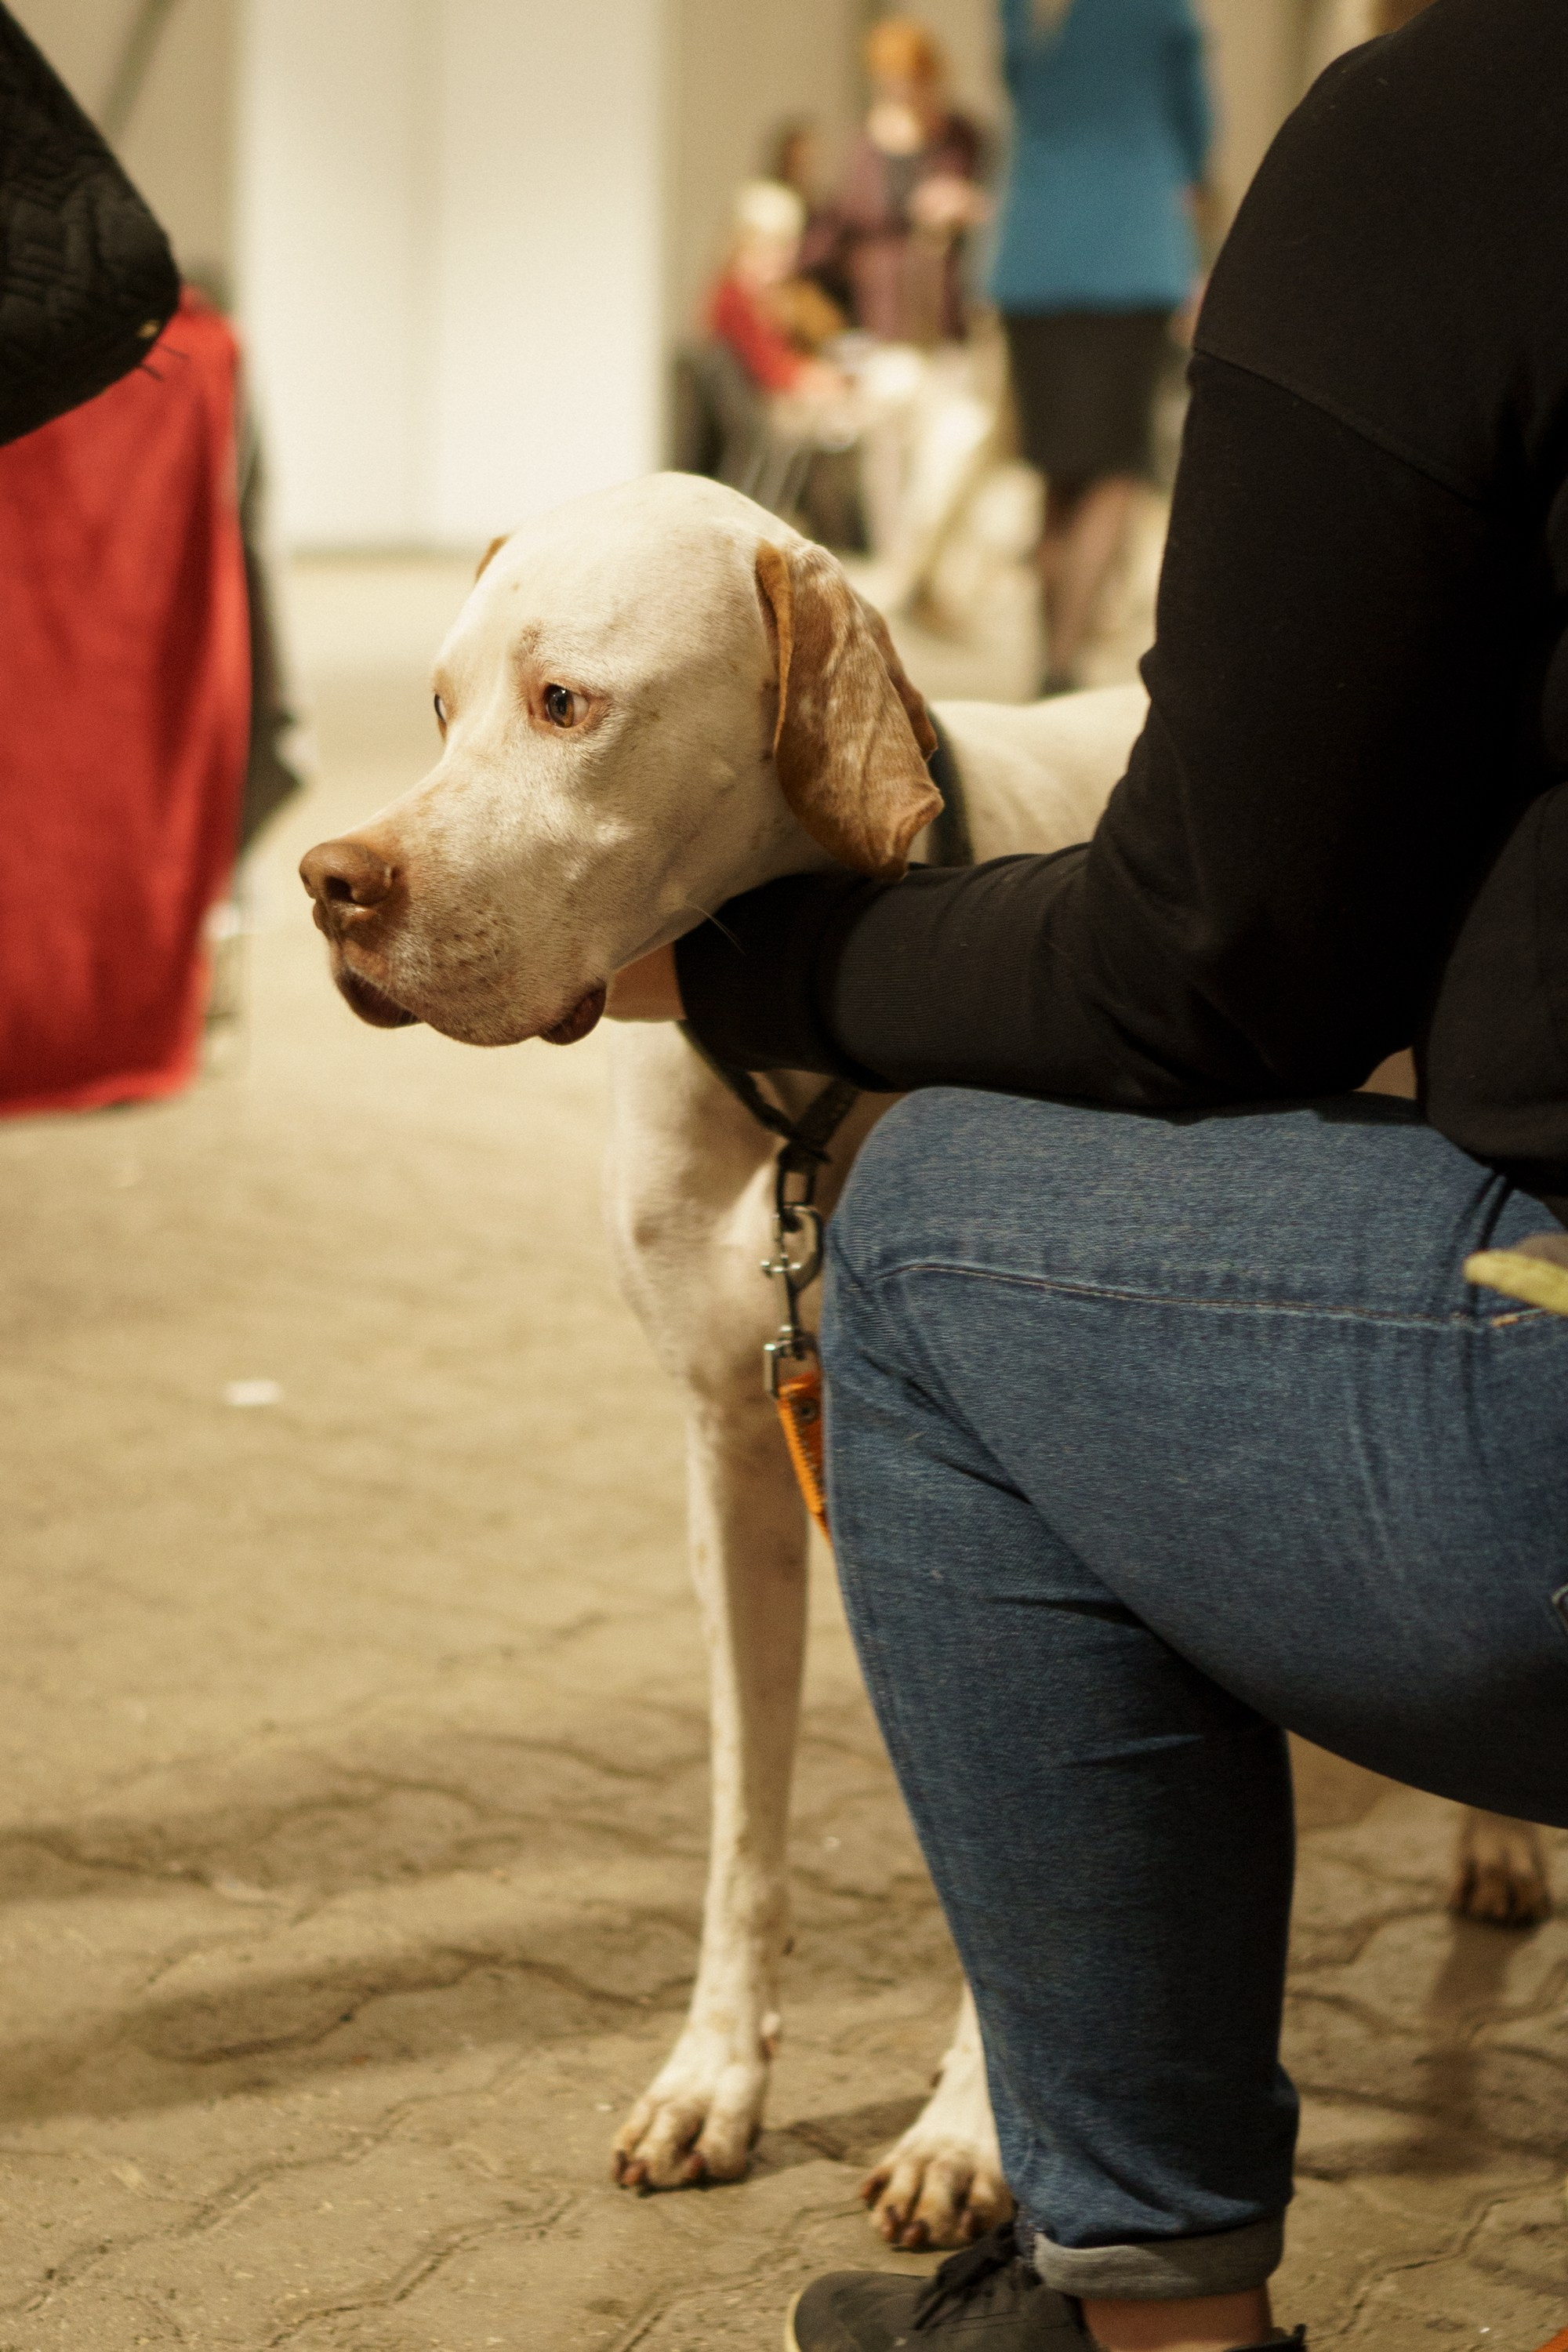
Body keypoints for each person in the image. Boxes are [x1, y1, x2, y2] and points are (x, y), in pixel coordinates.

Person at [606, 2, 1568, 2345]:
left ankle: (1135, 2289)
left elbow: (1204, 966)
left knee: (923, 1233)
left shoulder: (1465, 126)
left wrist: (766, 981)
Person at [991, 0, 1212, 693]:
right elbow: (1197, 128)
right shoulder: (1163, 7)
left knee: (1056, 470)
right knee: (1115, 466)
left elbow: (1022, 89)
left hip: (1036, 251)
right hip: (1130, 249)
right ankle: (1061, 664)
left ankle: (1045, 656)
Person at [823, 17, 989, 350]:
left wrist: (965, 204)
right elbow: (843, 222)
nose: (902, 90)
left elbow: (998, 204)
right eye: (891, 81)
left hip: (945, 299)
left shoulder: (963, 137)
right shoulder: (865, 147)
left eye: (913, 80)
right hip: (878, 303)